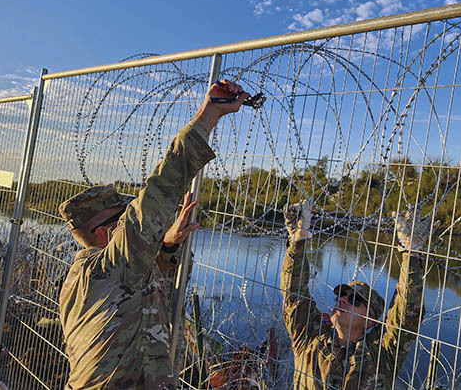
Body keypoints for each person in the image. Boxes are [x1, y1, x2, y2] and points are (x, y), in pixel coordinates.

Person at [57, 80, 249, 389]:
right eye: (124, 218)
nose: (132, 221)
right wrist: (209, 113)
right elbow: (160, 190)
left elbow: (136, 292)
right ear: (107, 233)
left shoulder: (89, 273)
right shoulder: (113, 266)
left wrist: (168, 243)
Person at [280, 200, 434, 389]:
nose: (342, 299)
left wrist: (411, 253)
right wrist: (298, 240)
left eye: (354, 299)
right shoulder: (309, 340)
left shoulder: (380, 354)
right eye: (341, 296)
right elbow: (294, 296)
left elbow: (405, 317)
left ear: (369, 320)